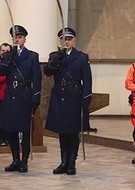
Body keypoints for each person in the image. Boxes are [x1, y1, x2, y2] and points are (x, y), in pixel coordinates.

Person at [44, 27, 92, 175]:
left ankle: (72, 162)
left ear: (73, 40)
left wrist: (86, 98)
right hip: (59, 96)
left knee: (72, 132)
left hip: (74, 96)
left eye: (69, 39)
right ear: (60, 40)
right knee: (62, 132)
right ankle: (63, 161)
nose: (66, 41)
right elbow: (47, 72)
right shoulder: (55, 56)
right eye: (64, 39)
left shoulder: (81, 57)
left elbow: (87, 79)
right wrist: (58, 57)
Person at [0, 25, 42, 173]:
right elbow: (1, 73)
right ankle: (15, 159)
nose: (17, 39)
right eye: (15, 37)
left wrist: (36, 98)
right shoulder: (8, 56)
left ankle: (24, 160)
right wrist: (7, 59)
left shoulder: (32, 56)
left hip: (25, 94)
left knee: (25, 129)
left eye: (20, 37)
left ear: (24, 39)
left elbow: (37, 79)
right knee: (11, 130)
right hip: (11, 94)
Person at [0, 43, 11, 146]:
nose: (4, 53)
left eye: (7, 51)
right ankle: (1, 139)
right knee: (0, 118)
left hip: (8, 95)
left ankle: (8, 139)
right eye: (3, 51)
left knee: (8, 118)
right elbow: (0, 77)